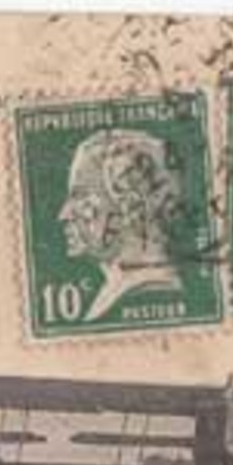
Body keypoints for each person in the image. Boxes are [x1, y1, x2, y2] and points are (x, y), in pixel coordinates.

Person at [56, 128, 184, 323]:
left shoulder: (146, 293)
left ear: (128, 204)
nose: (64, 215)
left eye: (80, 196)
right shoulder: (117, 291)